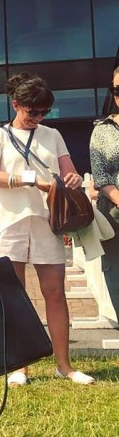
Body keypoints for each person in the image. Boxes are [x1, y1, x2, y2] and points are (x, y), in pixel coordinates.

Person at [0, 72, 94, 386]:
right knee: (15, 295)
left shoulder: (52, 135)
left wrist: (70, 180)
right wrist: (35, 180)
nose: (38, 117)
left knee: (55, 293)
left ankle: (65, 365)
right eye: (33, 111)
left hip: (47, 220)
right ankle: (20, 366)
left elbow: (69, 173)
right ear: (16, 104)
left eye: (44, 111)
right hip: (9, 220)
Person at [89, 64, 119, 323]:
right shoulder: (103, 130)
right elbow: (101, 177)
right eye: (117, 90)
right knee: (116, 277)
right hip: (114, 216)